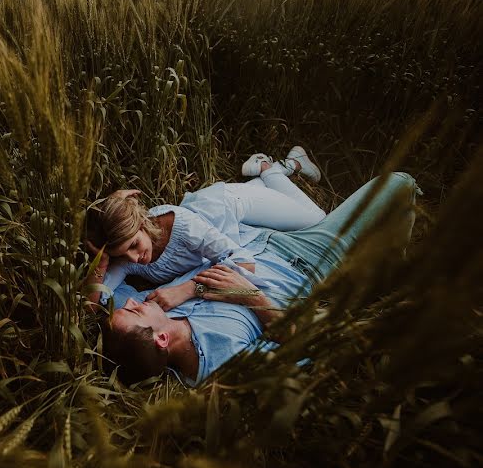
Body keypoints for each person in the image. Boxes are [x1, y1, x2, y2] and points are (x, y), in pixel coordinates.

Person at [101, 172, 420, 386]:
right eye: (134, 310)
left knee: (264, 203)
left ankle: (271, 172)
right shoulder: (222, 359)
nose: (132, 300)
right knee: (398, 183)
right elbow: (302, 344)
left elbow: (101, 297)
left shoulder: (151, 310)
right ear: (161, 340)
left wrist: (101, 253)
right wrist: (249, 295)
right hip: (302, 260)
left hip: (243, 235)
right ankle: (393, 265)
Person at [84, 147, 325, 308]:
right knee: (282, 206)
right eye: (122, 255)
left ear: (141, 223)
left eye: (134, 245)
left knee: (316, 218)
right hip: (218, 220)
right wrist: (102, 263)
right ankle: (263, 182)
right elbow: (92, 305)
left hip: (232, 204)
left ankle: (275, 166)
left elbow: (244, 262)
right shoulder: (125, 256)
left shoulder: (182, 226)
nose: (134, 259)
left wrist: (188, 289)